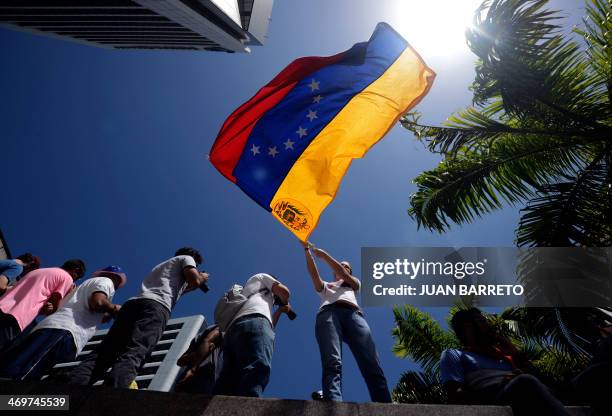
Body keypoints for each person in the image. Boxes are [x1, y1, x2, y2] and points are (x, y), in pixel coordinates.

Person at [59, 247, 208, 388]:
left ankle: (71, 390)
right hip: (156, 307)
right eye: (196, 265)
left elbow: (180, 290)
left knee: (105, 353)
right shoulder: (187, 258)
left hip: (133, 305)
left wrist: (195, 282)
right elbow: (194, 280)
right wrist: (201, 277)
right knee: (136, 350)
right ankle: (109, 396)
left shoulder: (164, 267)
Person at [0, 265, 127, 381]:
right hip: (63, 331)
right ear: (114, 277)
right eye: (118, 282)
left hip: (55, 329)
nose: (116, 286)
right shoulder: (106, 281)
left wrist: (108, 313)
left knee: (17, 368)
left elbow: (92, 309)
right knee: (23, 375)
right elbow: (97, 303)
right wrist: (114, 308)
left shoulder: (84, 287)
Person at [303, 243, 392, 403]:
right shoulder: (327, 286)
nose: (343, 267)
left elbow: (343, 273)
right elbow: (314, 276)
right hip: (328, 314)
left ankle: (385, 406)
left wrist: (325, 255)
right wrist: (306, 250)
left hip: (353, 315)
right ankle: (334, 405)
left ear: (350, 271)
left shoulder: (354, 283)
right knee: (332, 362)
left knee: (371, 363)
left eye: (346, 267)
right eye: (341, 265)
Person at [441, 308, 569, 416]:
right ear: (468, 327)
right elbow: (456, 397)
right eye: (483, 321)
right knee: (524, 381)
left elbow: (545, 384)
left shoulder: (505, 357)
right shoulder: (455, 354)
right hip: (499, 398)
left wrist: (516, 354)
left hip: (533, 392)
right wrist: (501, 386)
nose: (489, 325)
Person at [176, 301, 294, 395]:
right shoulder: (222, 329)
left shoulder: (218, 333)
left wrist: (195, 357)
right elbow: (208, 341)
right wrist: (194, 368)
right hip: (204, 377)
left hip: (196, 380)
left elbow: (181, 360)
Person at [213, 273, 292, 397]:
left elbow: (269, 325)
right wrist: (284, 302)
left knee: (228, 381)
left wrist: (280, 310)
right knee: (256, 369)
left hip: (233, 330)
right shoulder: (262, 276)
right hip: (255, 320)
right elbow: (285, 293)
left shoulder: (255, 295)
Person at [0, 259, 84, 352]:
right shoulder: (67, 278)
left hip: (3, 305)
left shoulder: (39, 271)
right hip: (16, 317)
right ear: (76, 270)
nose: (76, 279)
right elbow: (55, 307)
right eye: (79, 277)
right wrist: (68, 294)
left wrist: (46, 307)